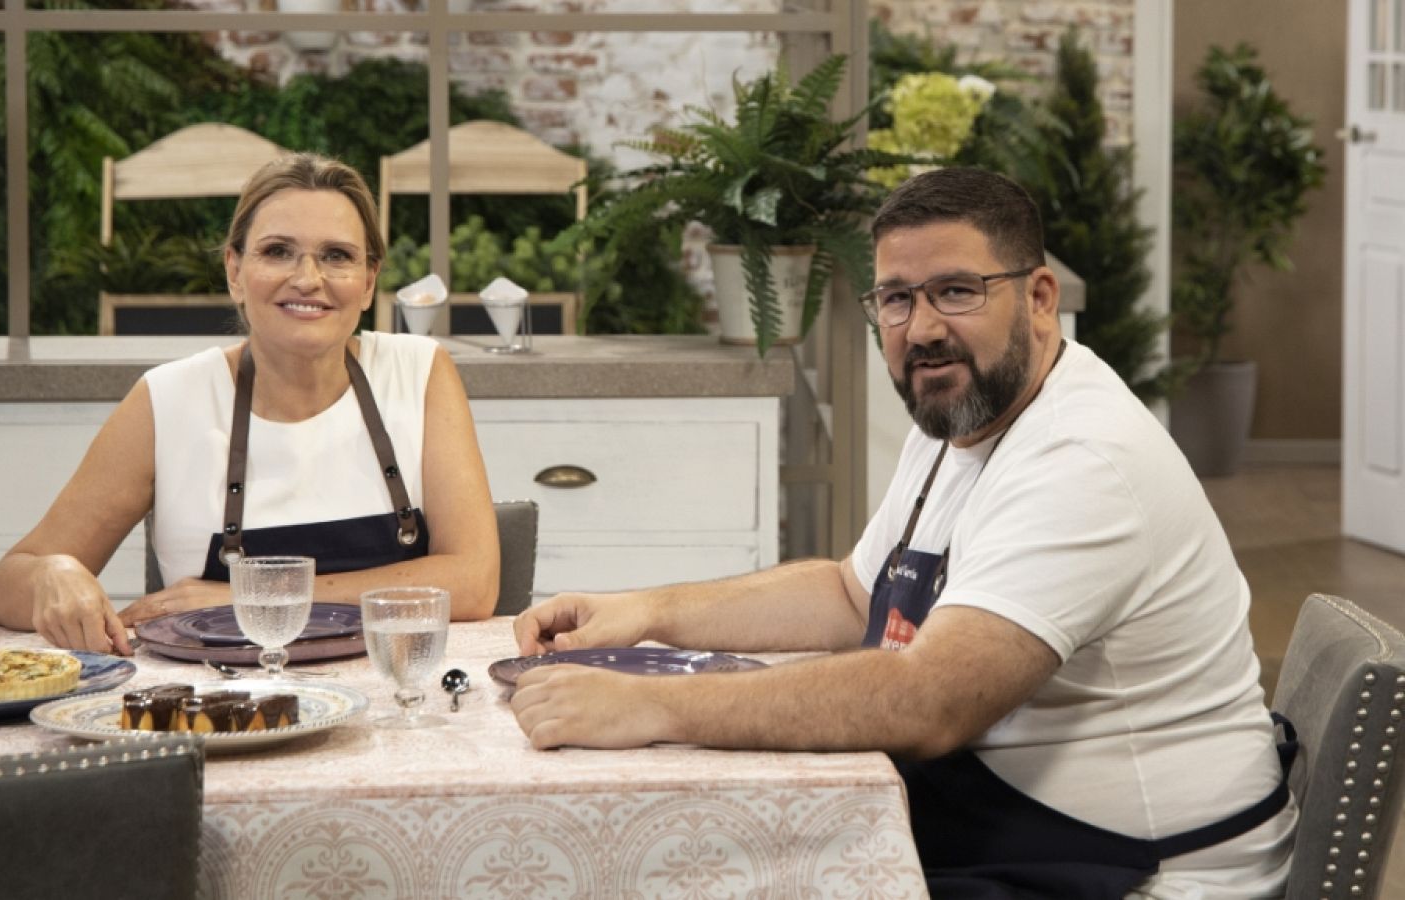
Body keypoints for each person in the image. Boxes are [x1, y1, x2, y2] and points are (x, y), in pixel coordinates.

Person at [509, 168, 1295, 898]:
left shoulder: (1081, 458)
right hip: (1008, 831)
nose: (919, 329)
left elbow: (929, 699)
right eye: (894, 298)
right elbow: (850, 594)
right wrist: (647, 613)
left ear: (1041, 298)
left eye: (956, 291)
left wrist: (651, 704)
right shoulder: (962, 411)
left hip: (1148, 870)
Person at [0, 153, 500, 654]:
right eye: (278, 251)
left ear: (368, 282)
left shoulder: (421, 371)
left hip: (395, 702)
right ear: (234, 271)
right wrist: (56, 573)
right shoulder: (168, 401)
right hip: (222, 714)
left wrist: (246, 598)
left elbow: (474, 582)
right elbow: (4, 587)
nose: (307, 278)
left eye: (337, 256)